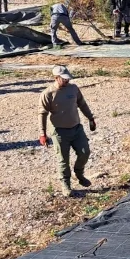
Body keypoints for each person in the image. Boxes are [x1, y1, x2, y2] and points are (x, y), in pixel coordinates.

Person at [39, 66, 96, 197]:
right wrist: (42, 133)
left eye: (67, 79)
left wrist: (90, 118)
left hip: (76, 128)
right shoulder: (48, 94)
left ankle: (79, 173)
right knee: (63, 160)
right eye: (64, 79)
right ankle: (66, 185)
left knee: (85, 152)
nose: (67, 81)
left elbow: (82, 104)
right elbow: (42, 114)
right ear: (56, 78)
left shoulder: (74, 88)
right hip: (59, 132)